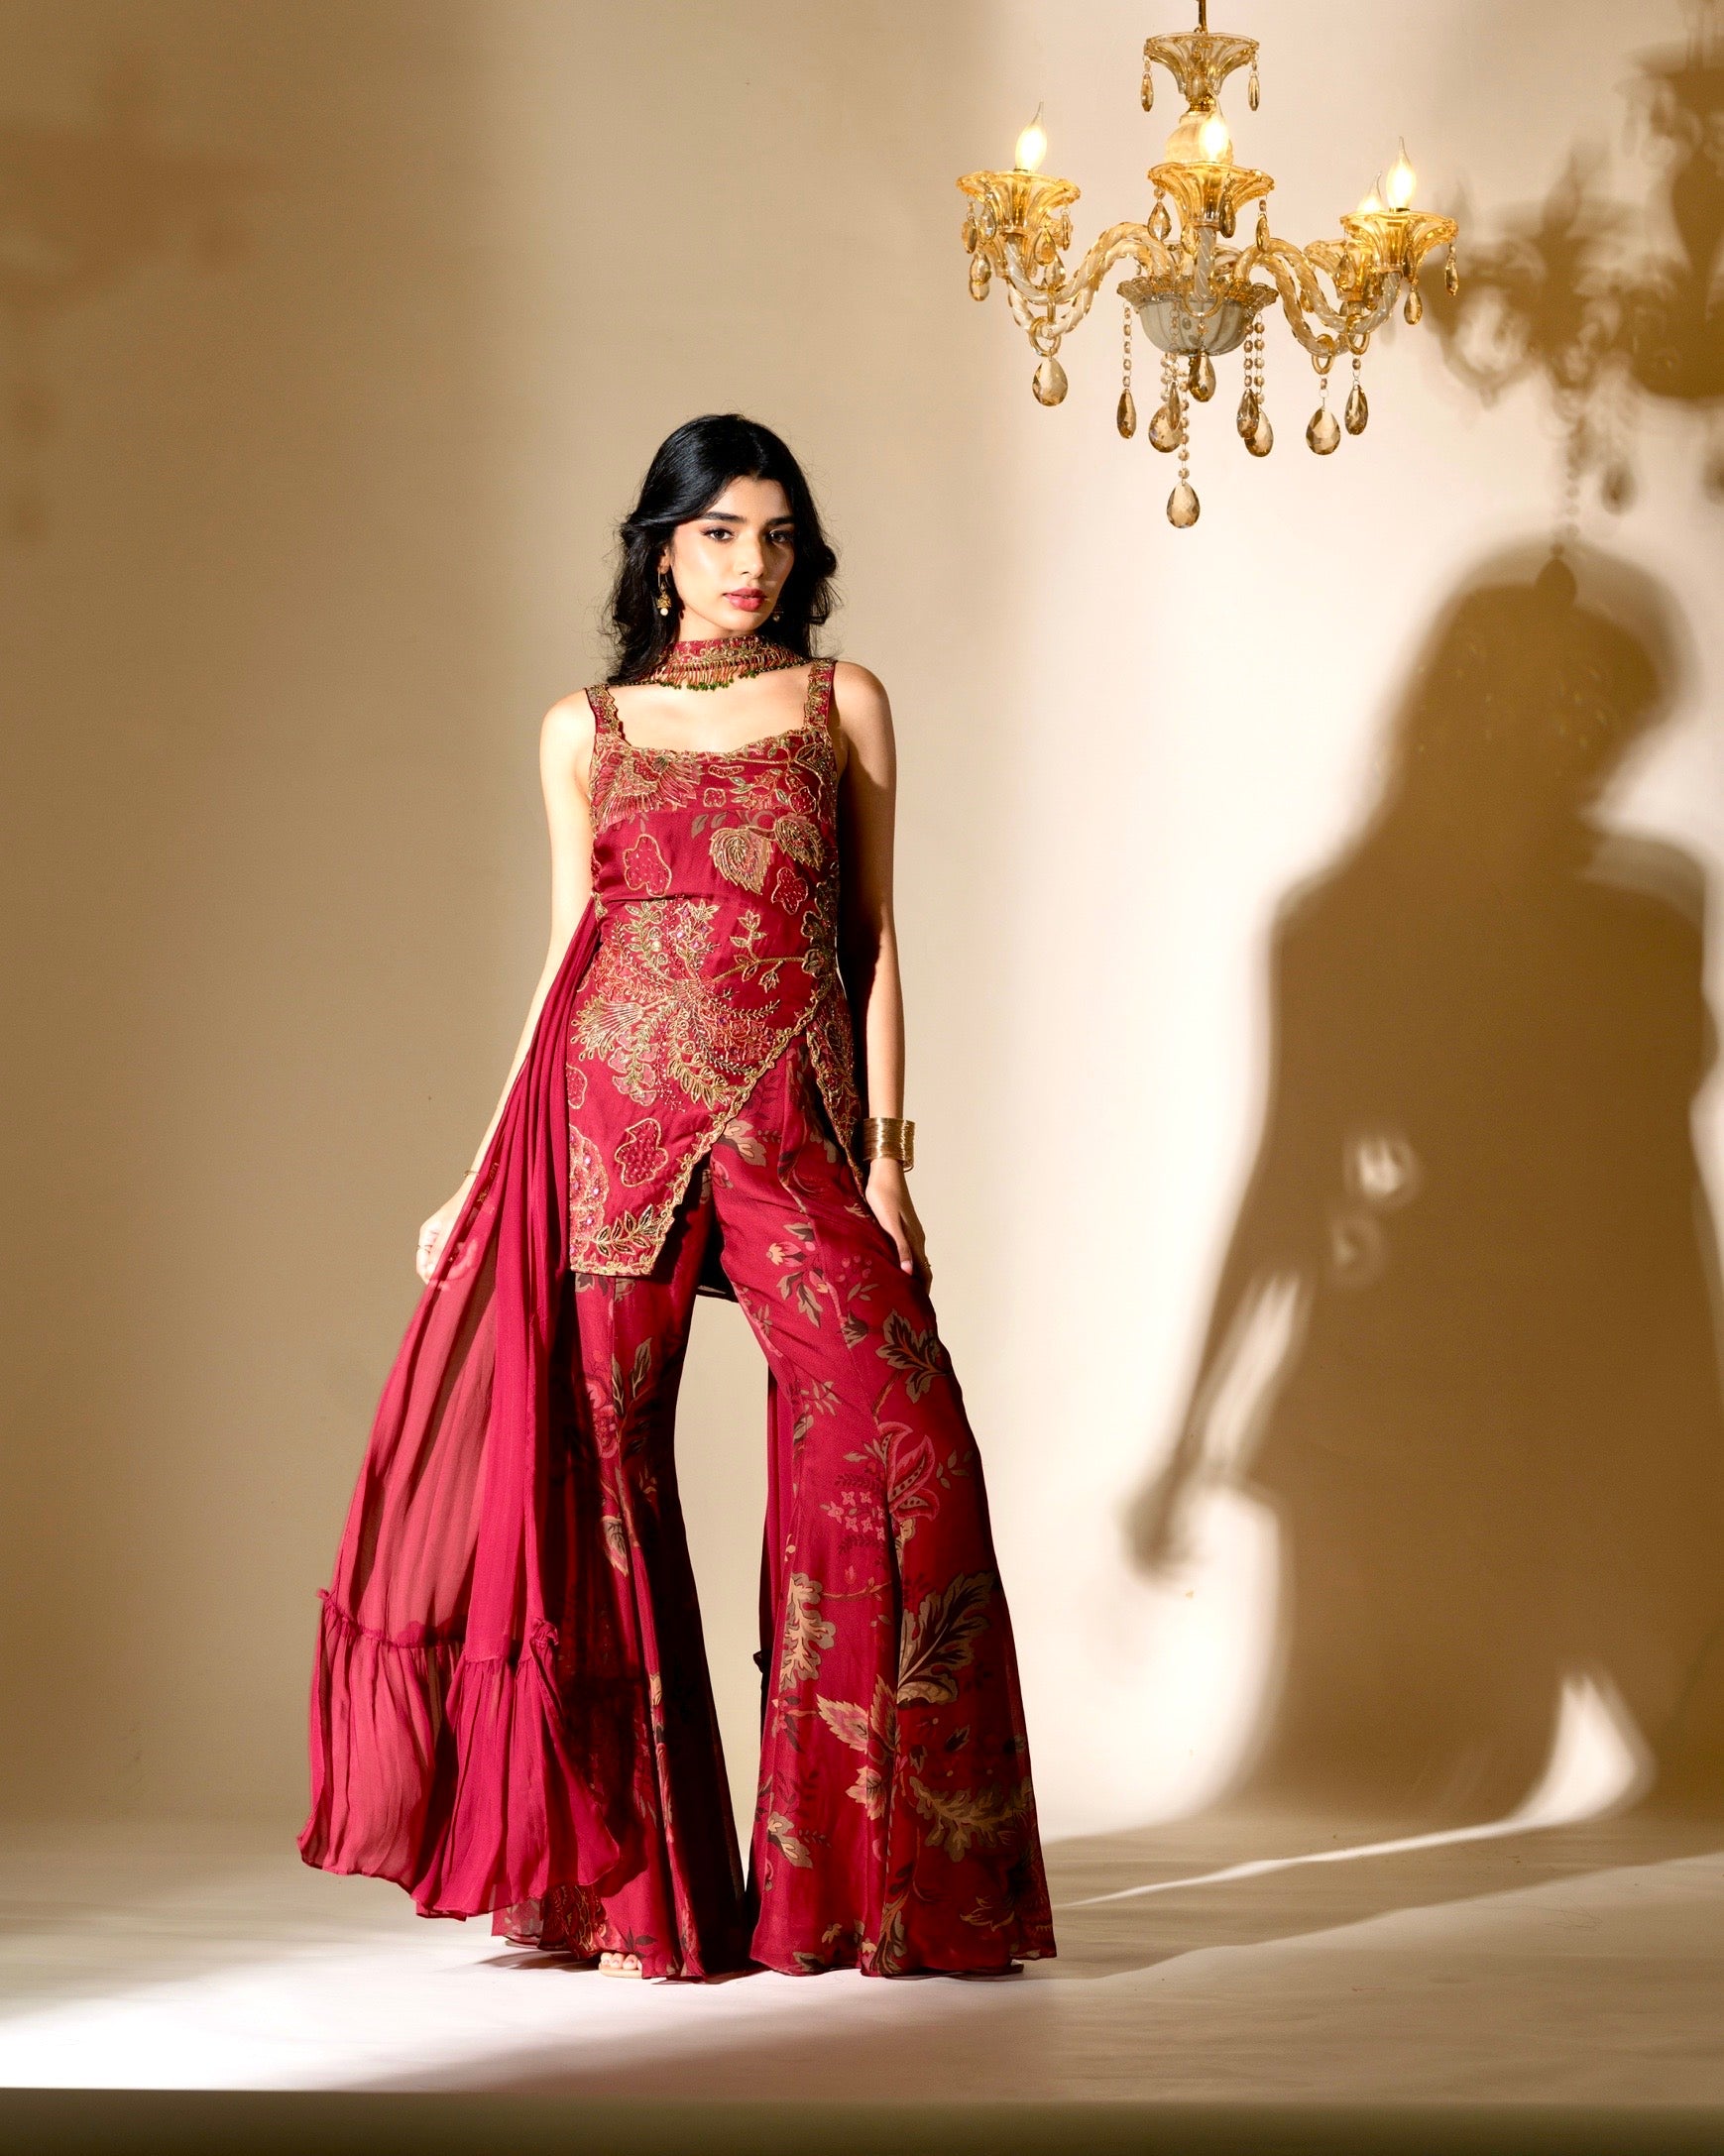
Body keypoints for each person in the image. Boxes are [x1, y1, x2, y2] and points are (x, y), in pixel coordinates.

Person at [299, 413, 1055, 1981]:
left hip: (791, 1124)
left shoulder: (840, 702)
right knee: (608, 1491)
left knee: (900, 1449)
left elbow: (878, 933)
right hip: (606, 1126)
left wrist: (897, 1160)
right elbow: (568, 950)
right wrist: (477, 1167)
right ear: (660, 547)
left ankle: (855, 1891)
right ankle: (644, 1896)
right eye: (719, 533)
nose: (752, 563)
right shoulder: (588, 727)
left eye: (777, 536)